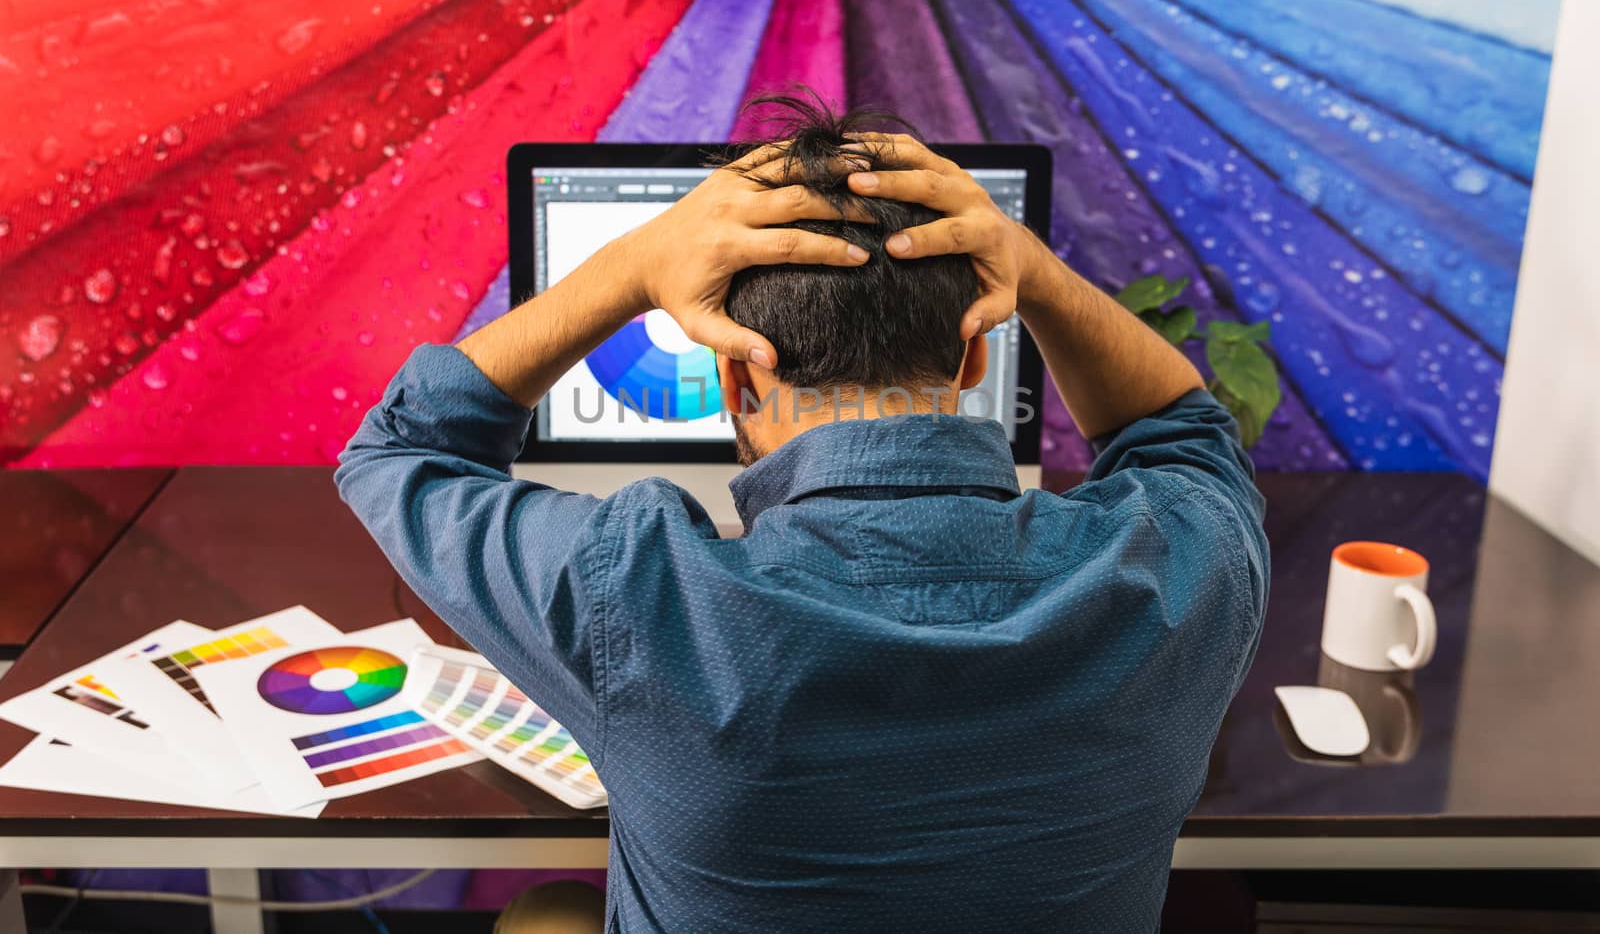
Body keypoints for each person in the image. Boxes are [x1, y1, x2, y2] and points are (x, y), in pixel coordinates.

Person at [336, 98, 1268, 933]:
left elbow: (401, 454)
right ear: (976, 357)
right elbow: (1182, 430)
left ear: (732, 374)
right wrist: (1035, 269)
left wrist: (630, 267)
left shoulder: (632, 589)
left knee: (545, 914)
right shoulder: (1181, 568)